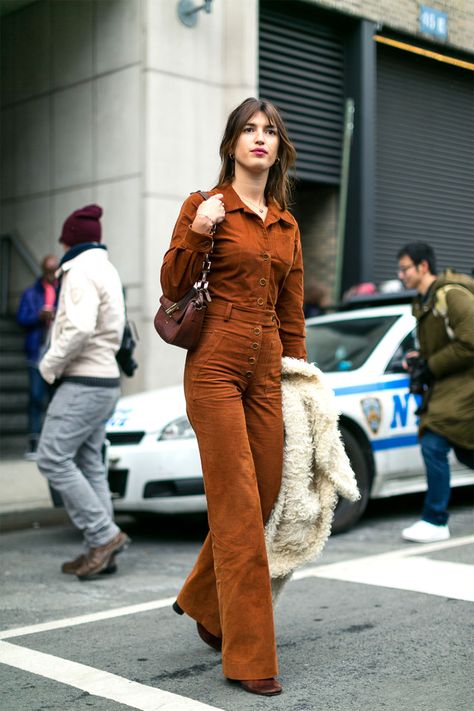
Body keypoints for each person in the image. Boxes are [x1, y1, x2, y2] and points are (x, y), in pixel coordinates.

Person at [160, 97, 306, 697]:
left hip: (266, 367)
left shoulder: (285, 224)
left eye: (269, 131)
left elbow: (293, 314)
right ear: (231, 143)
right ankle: (250, 656)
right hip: (215, 364)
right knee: (239, 509)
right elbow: (172, 286)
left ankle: (203, 599)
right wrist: (197, 235)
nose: (259, 138)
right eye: (249, 129)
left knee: (266, 493)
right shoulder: (204, 205)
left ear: (278, 148)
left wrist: (300, 380)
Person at [36, 204, 130, 579]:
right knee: (90, 462)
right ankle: (100, 548)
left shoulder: (79, 271)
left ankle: (104, 536)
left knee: (52, 457)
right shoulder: (105, 267)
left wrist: (48, 366)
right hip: (104, 380)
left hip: (83, 380)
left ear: (70, 240)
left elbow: (78, 328)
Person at [397, 242, 474, 543]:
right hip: (452, 382)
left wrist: (432, 364)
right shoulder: (424, 301)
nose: (401, 274)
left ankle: (435, 519)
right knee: (466, 451)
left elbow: (471, 341)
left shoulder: (451, 295)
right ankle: (434, 519)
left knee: (433, 439)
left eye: (405, 268)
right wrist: (420, 359)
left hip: (465, 383)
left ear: (423, 267)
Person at [16, 254, 59, 459]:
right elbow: (21, 318)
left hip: (57, 352)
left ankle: (52, 442)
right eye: (48, 270)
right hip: (36, 352)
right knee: (35, 397)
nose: (52, 275)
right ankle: (34, 442)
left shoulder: (64, 290)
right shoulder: (31, 293)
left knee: (55, 399)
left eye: (54, 270)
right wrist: (39, 316)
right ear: (43, 270)